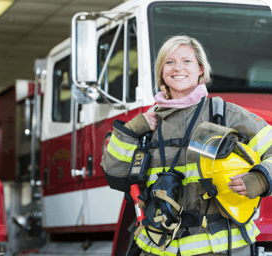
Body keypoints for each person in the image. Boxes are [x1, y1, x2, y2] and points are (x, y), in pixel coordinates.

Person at [101, 35, 272, 256]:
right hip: (157, 247)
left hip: (220, 248)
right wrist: (130, 131)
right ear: (161, 72)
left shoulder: (226, 114)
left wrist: (260, 178)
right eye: (169, 62)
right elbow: (114, 174)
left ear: (201, 68)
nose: (177, 68)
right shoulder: (146, 123)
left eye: (186, 61)